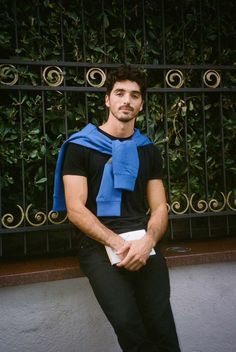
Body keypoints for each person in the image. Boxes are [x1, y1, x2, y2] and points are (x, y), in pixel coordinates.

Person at [53, 64, 181, 352]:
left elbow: (160, 206)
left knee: (162, 328)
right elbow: (75, 209)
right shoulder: (81, 146)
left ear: (141, 103)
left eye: (134, 95)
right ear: (107, 99)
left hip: (142, 243)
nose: (127, 100)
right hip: (98, 246)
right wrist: (116, 242)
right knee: (129, 326)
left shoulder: (147, 149)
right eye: (119, 93)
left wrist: (148, 240)